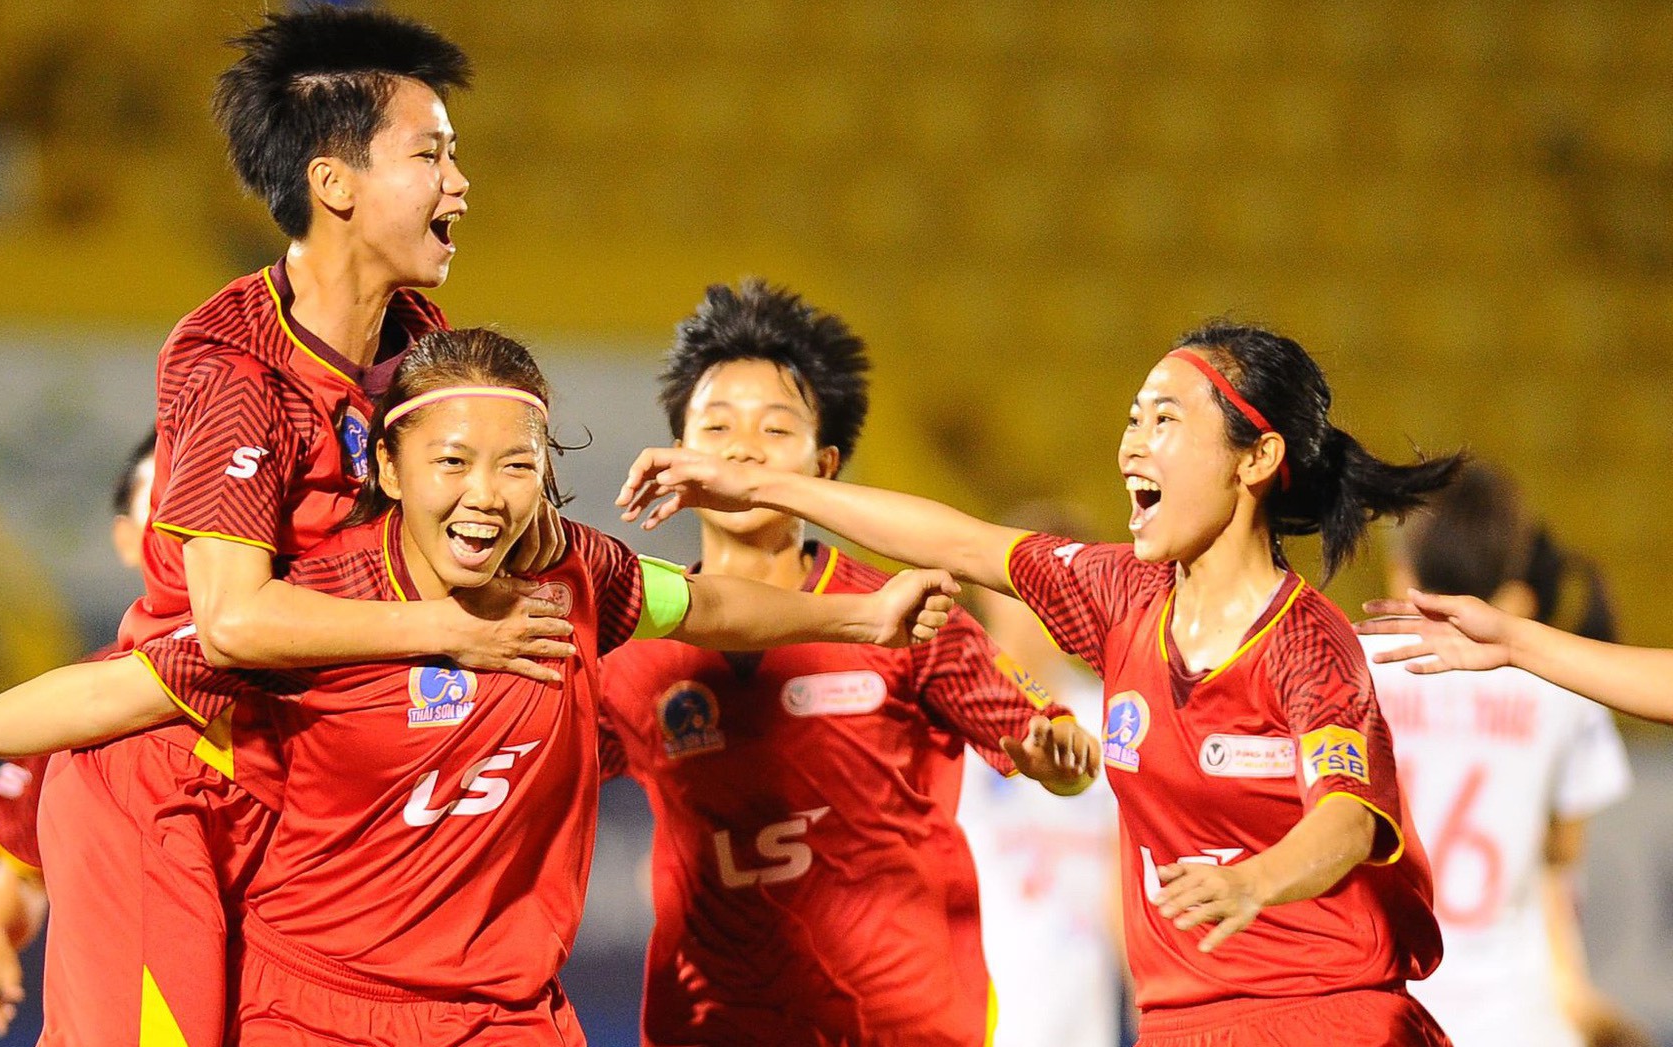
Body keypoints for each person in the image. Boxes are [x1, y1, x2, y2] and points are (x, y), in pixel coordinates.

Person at [0, 327, 966, 1046]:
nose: (487, 494)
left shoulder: (571, 573)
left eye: (517, 465)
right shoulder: (308, 614)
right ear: (386, 466)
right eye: (451, 462)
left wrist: (856, 613)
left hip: (512, 1020)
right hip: (317, 1017)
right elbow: (109, 696)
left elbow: (701, 602)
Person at [617, 320, 1462, 1046]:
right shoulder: (1122, 594)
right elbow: (959, 542)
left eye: (1164, 419)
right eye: (1132, 420)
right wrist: (759, 483)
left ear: (1257, 457)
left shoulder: (1310, 643)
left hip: (1324, 1014)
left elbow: (1349, 820)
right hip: (1181, 1021)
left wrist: (1252, 879)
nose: (1132, 444)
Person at [10, 10, 576, 1045]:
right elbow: (230, 624)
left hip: (296, 794)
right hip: (170, 783)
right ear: (336, 184)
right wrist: (448, 633)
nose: (459, 184)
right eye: (432, 155)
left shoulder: (417, 338)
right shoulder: (235, 368)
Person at [594, 282, 1099, 1047]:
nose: (741, 448)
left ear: (823, 466)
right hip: (710, 1027)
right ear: (678, 455)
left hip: (903, 1028)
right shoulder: (633, 646)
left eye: (775, 428)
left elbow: (1052, 749)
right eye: (716, 425)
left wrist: (1054, 754)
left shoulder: (907, 613)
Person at [1365, 463, 1646, 1047]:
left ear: (1401, 570)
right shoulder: (1563, 688)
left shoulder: (1347, 667)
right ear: (1514, 581)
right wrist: (1573, 990)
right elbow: (1559, 862)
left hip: (1378, 1005)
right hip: (1517, 1020)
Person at [0, 431, 156, 1039]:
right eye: (160, 498)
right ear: (125, 537)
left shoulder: (294, 686)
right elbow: (24, 874)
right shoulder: (72, 701)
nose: (183, 516)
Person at [956, 503, 1129, 1047]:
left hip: (1089, 1017)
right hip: (969, 1012)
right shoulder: (945, 713)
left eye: (1059, 592)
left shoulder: (1117, 716)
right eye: (1020, 588)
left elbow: (1130, 887)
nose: (1039, 610)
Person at [1362, 577, 1673, 730]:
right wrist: (1511, 641)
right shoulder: (1567, 706)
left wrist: (1512, 641)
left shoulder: (1359, 669)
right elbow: (1565, 850)